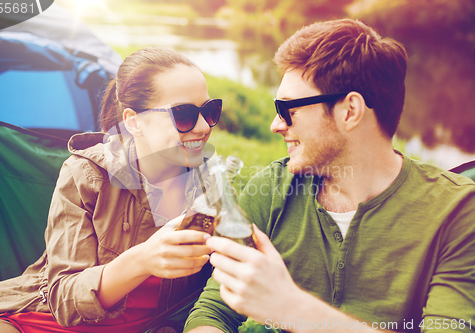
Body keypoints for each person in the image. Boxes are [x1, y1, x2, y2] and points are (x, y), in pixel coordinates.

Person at [183, 19, 475, 333]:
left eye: (288, 109)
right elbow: (213, 312)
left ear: (350, 111)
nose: (276, 125)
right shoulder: (270, 189)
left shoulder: (458, 212)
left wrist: (290, 306)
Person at [0, 47, 223, 332]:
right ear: (134, 121)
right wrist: (144, 259)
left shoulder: (210, 182)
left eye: (210, 110)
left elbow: (225, 283)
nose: (204, 127)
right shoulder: (86, 175)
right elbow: (64, 300)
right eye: (184, 114)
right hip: (44, 320)